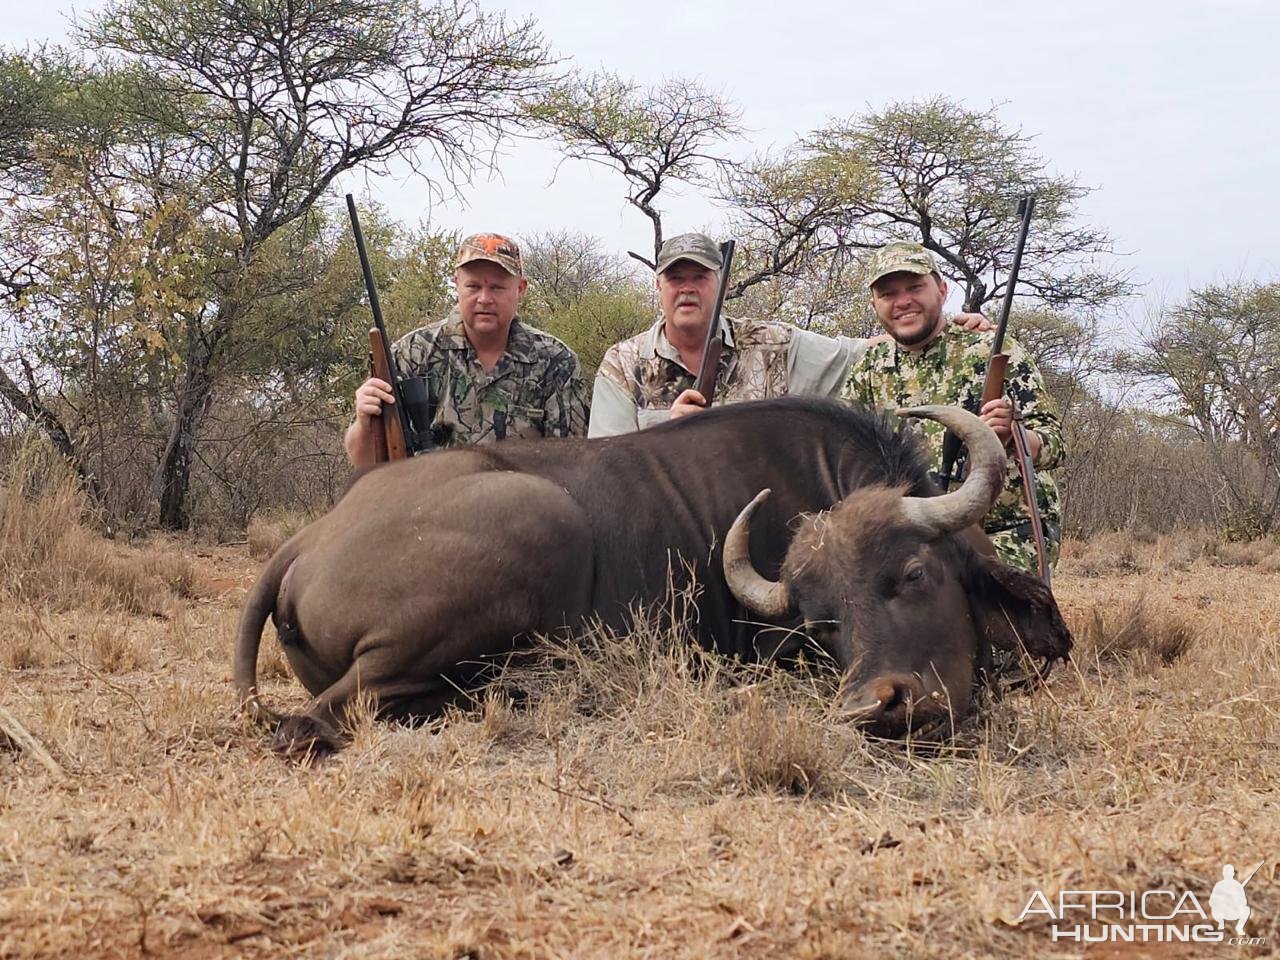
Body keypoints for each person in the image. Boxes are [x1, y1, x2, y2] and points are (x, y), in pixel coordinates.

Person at [587, 232, 990, 437]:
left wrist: (944, 325)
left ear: (723, 285)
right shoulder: (623, 362)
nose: (688, 287)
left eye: (700, 277)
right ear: (659, 286)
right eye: (676, 278)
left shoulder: (773, 343)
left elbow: (857, 354)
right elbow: (605, 464)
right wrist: (668, 435)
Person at [839, 240, 1064, 573]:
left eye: (915, 287)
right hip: (915, 535)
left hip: (1007, 529)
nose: (903, 302)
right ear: (874, 305)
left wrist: (1015, 435)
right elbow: (841, 454)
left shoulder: (994, 348)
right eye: (888, 294)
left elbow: (1055, 446)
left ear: (942, 291)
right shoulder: (867, 370)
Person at [344, 233, 589, 466]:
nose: (484, 298)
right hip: (430, 503)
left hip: (523, 506)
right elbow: (364, 462)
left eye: (497, 287)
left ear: (520, 289)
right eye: (473, 287)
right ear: (456, 285)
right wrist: (365, 422)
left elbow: (572, 465)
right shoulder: (411, 354)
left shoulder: (557, 361)